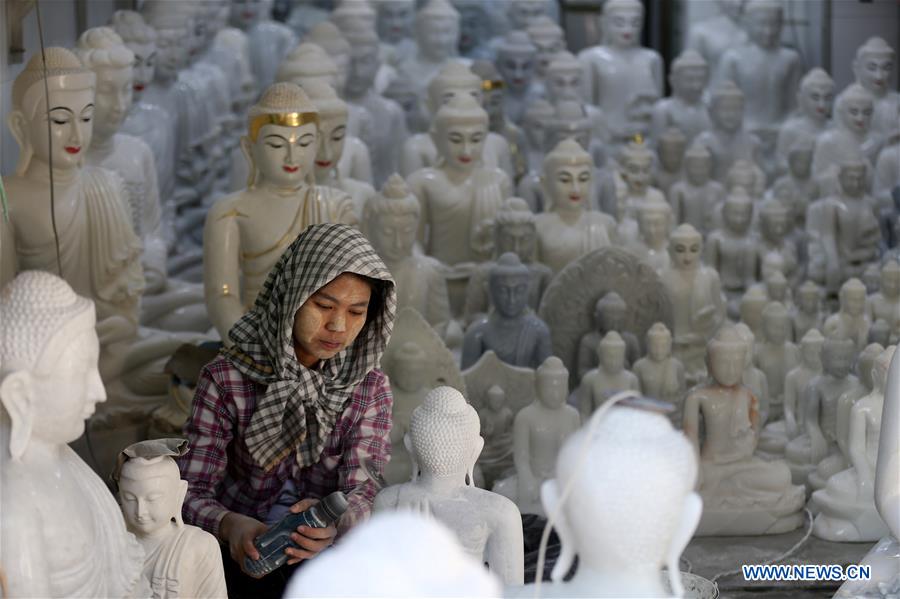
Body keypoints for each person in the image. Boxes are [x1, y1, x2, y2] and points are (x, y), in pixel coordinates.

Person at [179, 224, 397, 598]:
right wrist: (230, 525)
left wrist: (336, 525)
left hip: (324, 558)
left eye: (356, 311)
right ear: (290, 296)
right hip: (239, 554)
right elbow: (187, 490)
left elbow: (364, 489)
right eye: (323, 305)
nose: (338, 325)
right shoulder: (227, 379)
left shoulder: (368, 387)